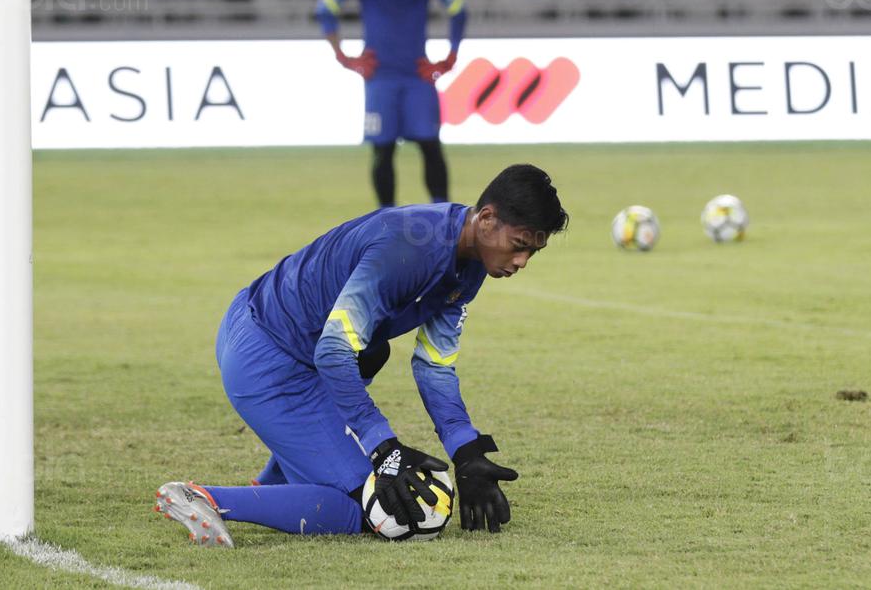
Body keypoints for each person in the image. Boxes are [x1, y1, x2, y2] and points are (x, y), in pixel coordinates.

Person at [155, 165, 568, 545]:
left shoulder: (471, 262)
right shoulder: (410, 246)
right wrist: (383, 447)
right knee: (374, 510)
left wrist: (466, 451)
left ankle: (274, 487)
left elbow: (435, 365)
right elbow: (333, 352)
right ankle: (201, 497)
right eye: (518, 245)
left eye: (532, 251)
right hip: (269, 357)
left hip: (272, 334)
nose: (522, 261)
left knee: (372, 352)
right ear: (488, 218)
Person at [314, 0, 466, 208]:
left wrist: (450, 58)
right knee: (382, 151)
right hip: (379, 77)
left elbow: (458, 9)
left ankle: (443, 216)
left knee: (430, 146)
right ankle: (386, 220)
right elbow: (325, 8)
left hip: (417, 76)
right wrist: (343, 56)